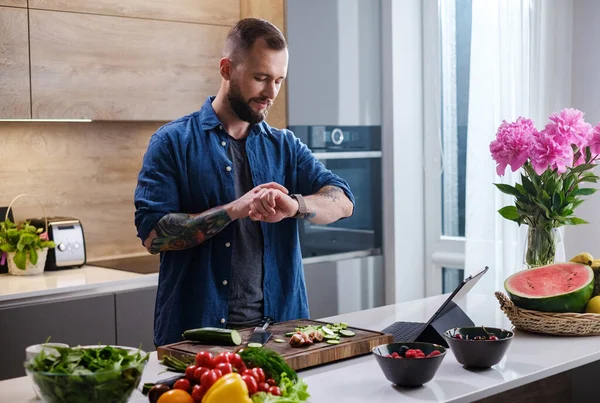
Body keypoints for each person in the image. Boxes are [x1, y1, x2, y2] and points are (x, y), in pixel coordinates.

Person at [134, 18, 355, 347]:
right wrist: (233, 210)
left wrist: (296, 206)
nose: (271, 93)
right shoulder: (172, 142)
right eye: (261, 78)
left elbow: (343, 201)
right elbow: (153, 235)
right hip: (198, 339)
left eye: (279, 80)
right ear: (226, 69)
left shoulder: (286, 146)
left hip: (283, 335)